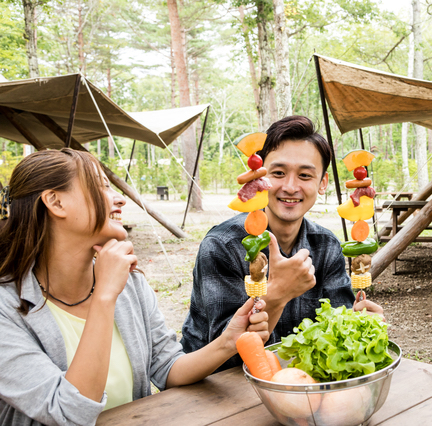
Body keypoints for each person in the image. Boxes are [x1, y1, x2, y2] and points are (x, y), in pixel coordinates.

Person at [0, 149, 269, 426]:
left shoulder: (129, 283)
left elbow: (167, 367)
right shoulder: (5, 308)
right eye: (101, 187)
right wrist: (104, 296)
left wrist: (228, 342)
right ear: (56, 202)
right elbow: (69, 414)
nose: (119, 199)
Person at [181, 115, 383, 371]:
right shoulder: (223, 246)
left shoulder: (326, 245)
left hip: (294, 381)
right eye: (278, 173)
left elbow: (336, 333)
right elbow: (228, 358)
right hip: (211, 389)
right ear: (259, 179)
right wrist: (278, 293)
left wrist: (360, 327)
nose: (290, 187)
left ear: (322, 184)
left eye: (305, 175)